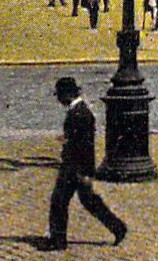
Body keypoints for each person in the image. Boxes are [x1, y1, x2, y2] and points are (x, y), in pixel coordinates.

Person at [42, 76, 127, 251]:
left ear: (67, 95)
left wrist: (86, 173)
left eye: (59, 96)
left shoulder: (80, 113)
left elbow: (86, 146)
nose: (59, 100)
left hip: (75, 167)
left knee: (60, 201)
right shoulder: (79, 111)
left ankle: (58, 241)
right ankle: (117, 227)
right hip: (75, 166)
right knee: (87, 201)